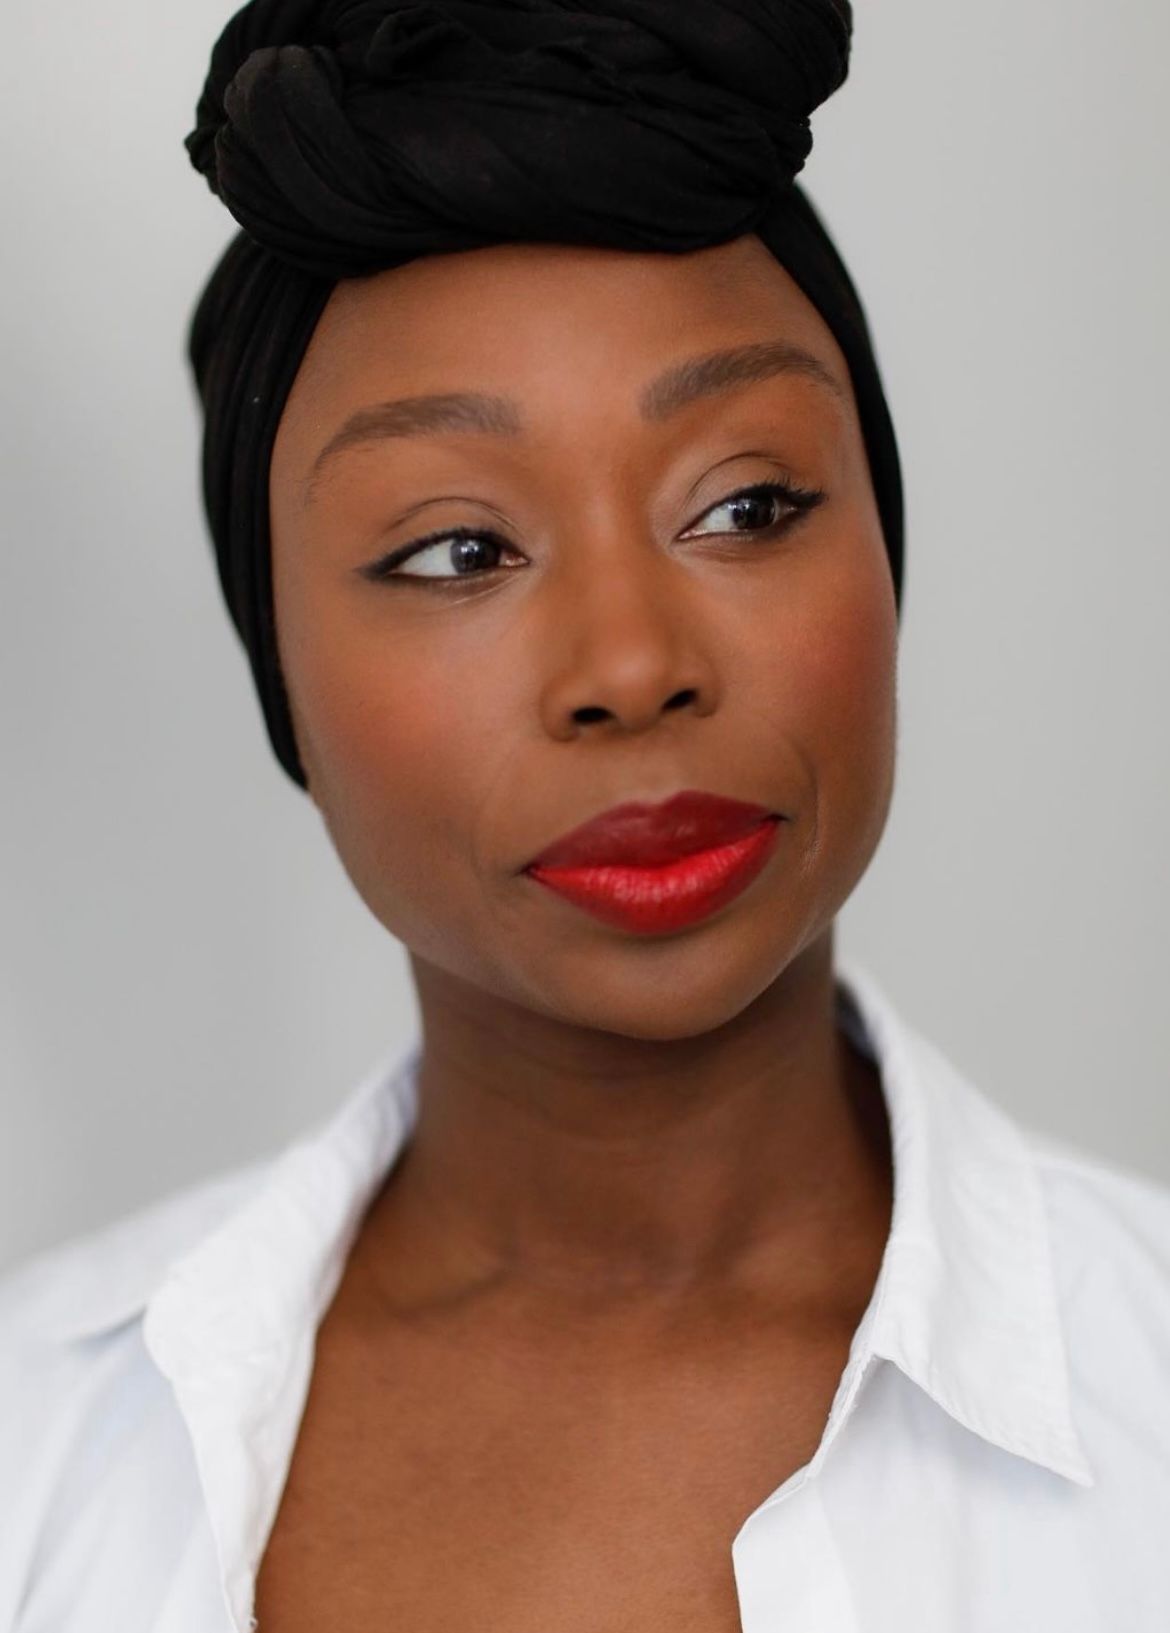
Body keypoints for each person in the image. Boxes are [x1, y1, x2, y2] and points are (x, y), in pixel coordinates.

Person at [1, 2, 1168, 1630]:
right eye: (457, 550)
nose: (629, 665)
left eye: (744, 504)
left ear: (883, 558)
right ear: (282, 677)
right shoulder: (32, 1446)